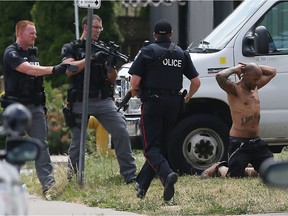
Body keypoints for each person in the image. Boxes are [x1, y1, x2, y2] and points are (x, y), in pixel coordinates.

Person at [128, 19, 201, 201]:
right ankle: (141, 186)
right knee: (160, 147)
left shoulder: (147, 51)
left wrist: (136, 93)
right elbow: (196, 82)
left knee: (150, 149)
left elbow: (135, 83)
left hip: (153, 103)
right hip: (174, 104)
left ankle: (167, 174)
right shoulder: (181, 53)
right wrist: (187, 97)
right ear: (171, 34)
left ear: (154, 35)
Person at [60, 14, 137, 184]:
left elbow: (111, 78)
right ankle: (73, 178)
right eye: (96, 27)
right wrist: (92, 58)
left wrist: (110, 65)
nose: (99, 31)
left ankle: (130, 175)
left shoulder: (102, 48)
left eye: (100, 28)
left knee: (121, 130)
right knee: (78, 141)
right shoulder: (72, 47)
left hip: (103, 100)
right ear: (86, 27)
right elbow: (69, 70)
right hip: (80, 100)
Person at [1, 20, 69, 197]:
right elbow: (29, 70)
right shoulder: (11, 53)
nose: (35, 36)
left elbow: (35, 72)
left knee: (41, 146)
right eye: (32, 33)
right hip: (16, 108)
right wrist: (54, 69)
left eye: (35, 33)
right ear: (21, 33)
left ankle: (49, 186)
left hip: (36, 107)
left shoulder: (33, 54)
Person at [201, 62, 276, 178]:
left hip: (256, 142)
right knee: (235, 176)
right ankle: (220, 167)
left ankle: (248, 168)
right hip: (239, 142)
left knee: (271, 171)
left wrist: (252, 67)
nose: (257, 82)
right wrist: (237, 69)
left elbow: (272, 71)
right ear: (244, 76)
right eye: (254, 79)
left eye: (258, 79)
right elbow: (219, 76)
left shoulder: (254, 87)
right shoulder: (234, 89)